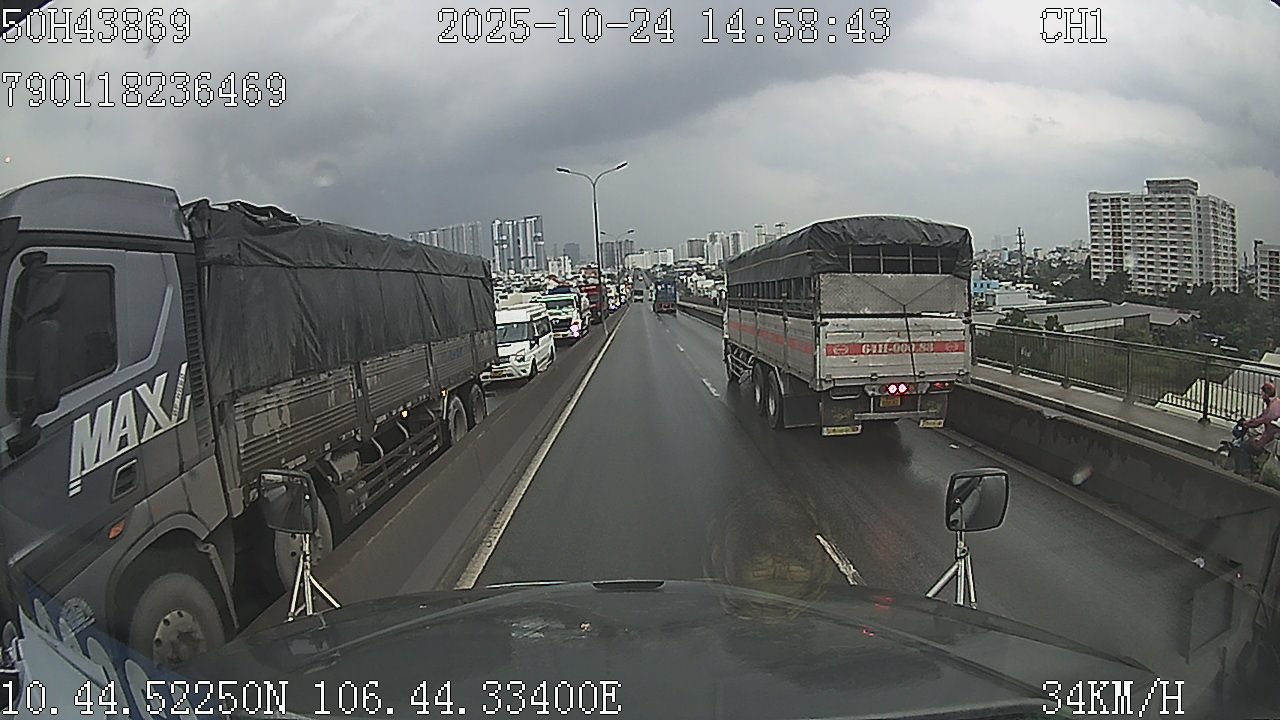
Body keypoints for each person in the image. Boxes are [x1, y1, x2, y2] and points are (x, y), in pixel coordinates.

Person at [1241, 382, 1280, 458]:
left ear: (1266, 394)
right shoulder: (1276, 402)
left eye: (1262, 394)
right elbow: (1261, 417)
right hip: (1273, 436)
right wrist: (1251, 420)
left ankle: (1245, 464)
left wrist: (1247, 423)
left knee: (1245, 445)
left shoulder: (1272, 409)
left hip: (1268, 439)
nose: (1261, 396)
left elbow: (1260, 421)